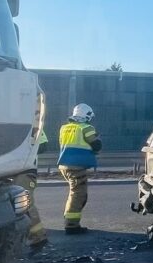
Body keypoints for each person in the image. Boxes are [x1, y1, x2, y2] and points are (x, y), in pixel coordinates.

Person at [56, 103, 102, 234]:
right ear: (87, 116)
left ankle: (70, 221)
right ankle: (71, 225)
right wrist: (98, 139)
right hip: (77, 166)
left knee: (75, 193)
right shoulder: (87, 128)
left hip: (64, 164)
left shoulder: (64, 128)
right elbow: (96, 145)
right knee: (78, 195)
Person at [14, 126, 49, 249]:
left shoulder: (32, 125)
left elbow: (43, 145)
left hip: (25, 170)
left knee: (25, 203)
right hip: (7, 171)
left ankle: (38, 235)